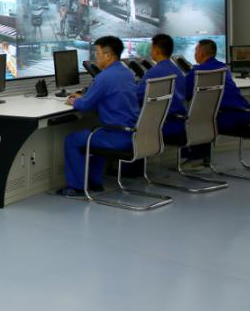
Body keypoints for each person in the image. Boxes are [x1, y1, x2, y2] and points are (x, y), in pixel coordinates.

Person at [57, 36, 139, 197]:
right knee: (96, 132)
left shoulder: (104, 77)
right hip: (133, 134)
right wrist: (86, 98)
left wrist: (74, 100)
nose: (95, 57)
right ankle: (95, 183)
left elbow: (85, 105)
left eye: (97, 53)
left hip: (117, 136)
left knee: (72, 140)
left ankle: (77, 187)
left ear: (108, 56)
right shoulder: (127, 73)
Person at [182, 39, 250, 163]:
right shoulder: (223, 68)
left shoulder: (197, 72)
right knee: (205, 114)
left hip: (227, 118)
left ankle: (195, 159)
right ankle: (202, 157)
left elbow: (186, 94)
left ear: (201, 54)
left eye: (196, 51)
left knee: (195, 118)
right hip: (245, 114)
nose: (195, 54)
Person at [138, 34, 188, 142]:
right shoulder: (178, 71)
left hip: (162, 125)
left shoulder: (152, 73)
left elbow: (137, 98)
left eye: (151, 48)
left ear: (156, 50)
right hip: (179, 123)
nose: (151, 51)